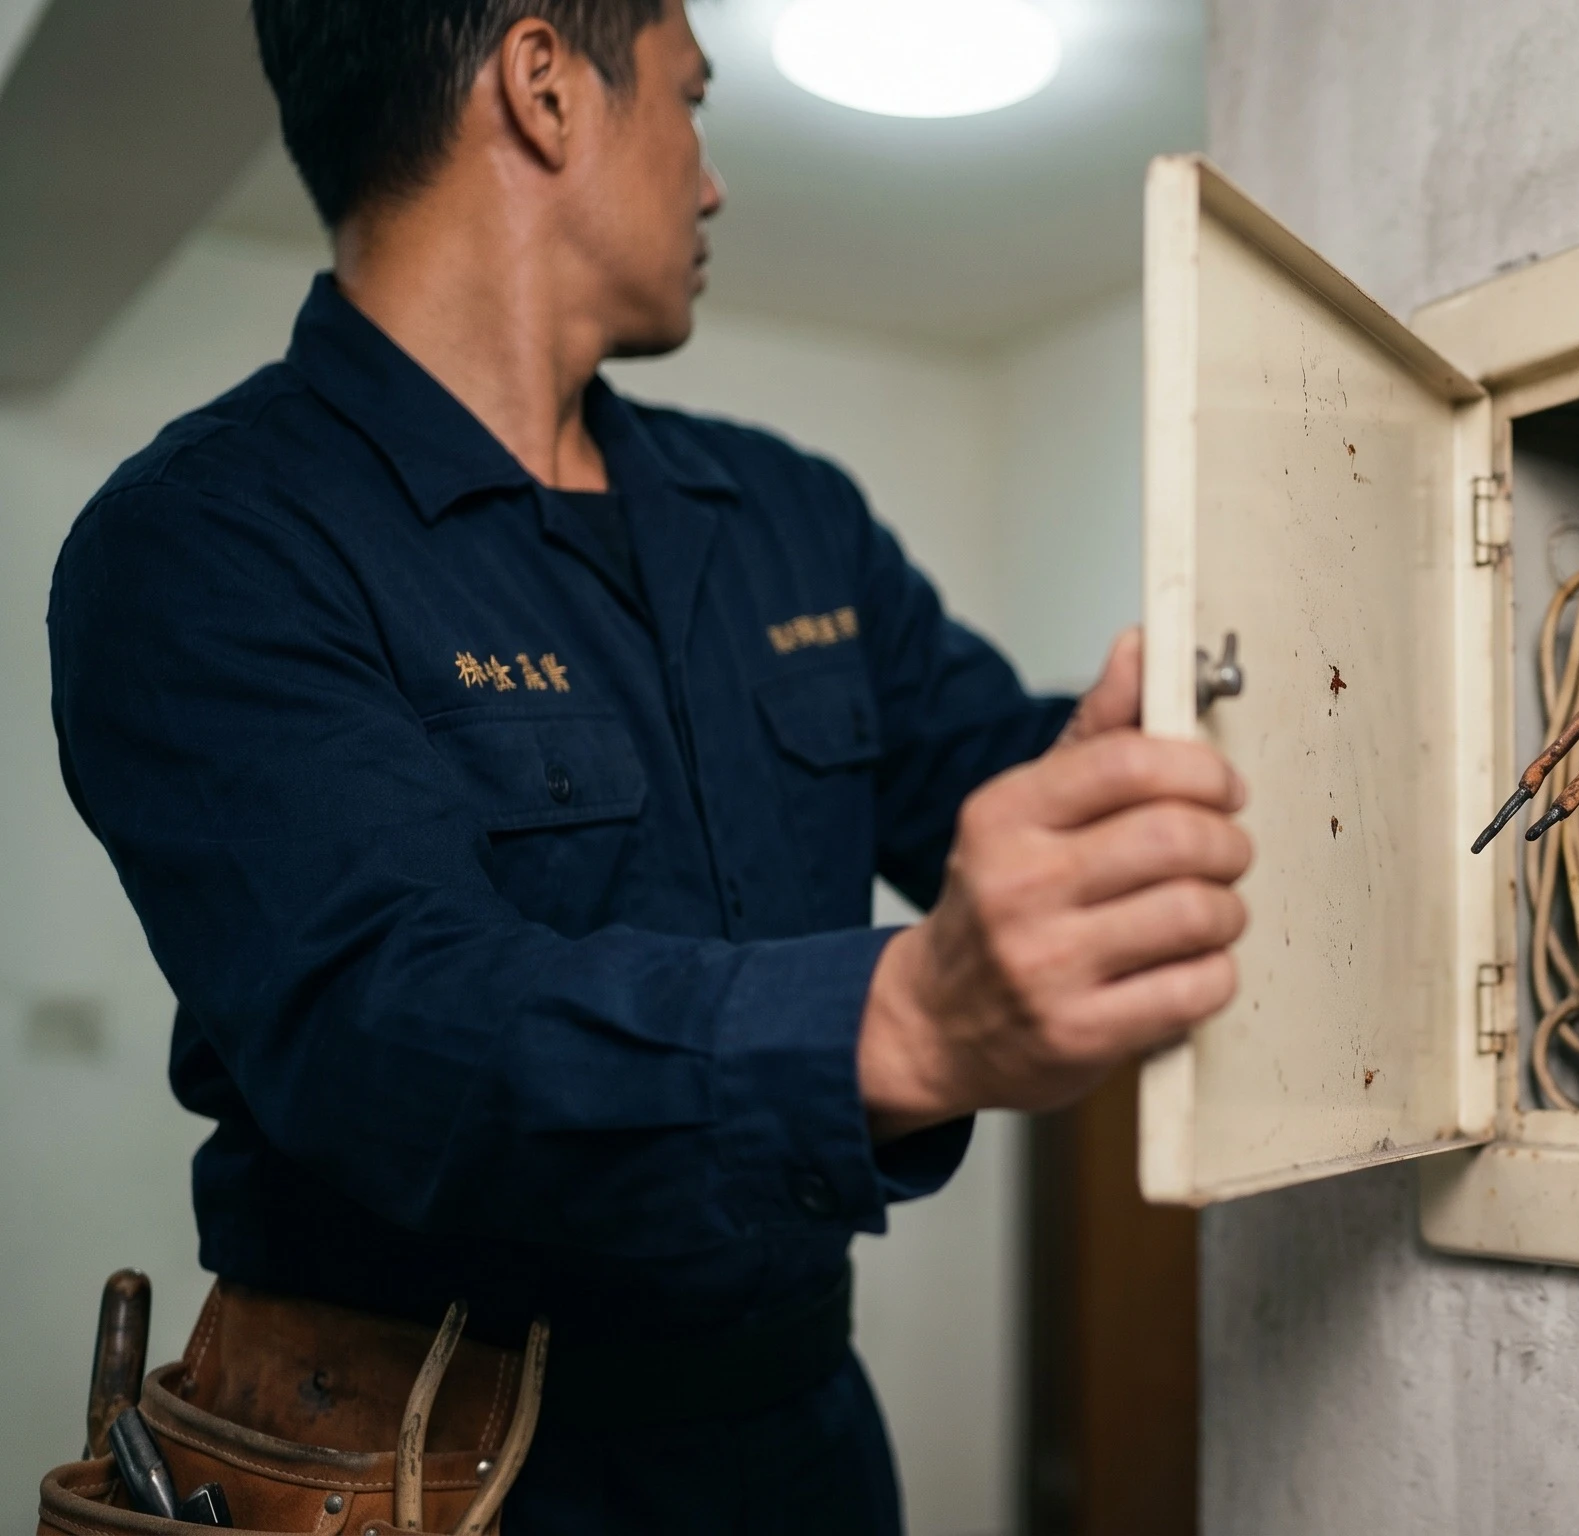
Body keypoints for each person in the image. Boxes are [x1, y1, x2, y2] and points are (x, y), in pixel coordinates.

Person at [44, 1, 1249, 1530]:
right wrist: (896, 1021)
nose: (714, 176)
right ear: (545, 87)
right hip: (418, 1477)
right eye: (692, 97)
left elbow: (995, 778)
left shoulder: (787, 516)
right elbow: (384, 1021)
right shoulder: (211, 543)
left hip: (800, 1440)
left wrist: (1142, 778)